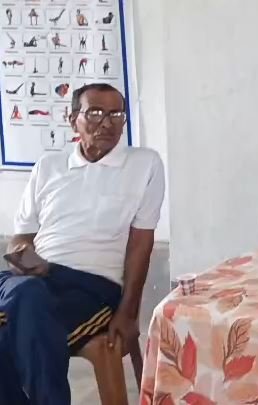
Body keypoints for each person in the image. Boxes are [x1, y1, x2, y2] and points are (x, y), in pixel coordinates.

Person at [0, 83, 165, 405]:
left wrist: (128, 312)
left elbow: (141, 244)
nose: (107, 123)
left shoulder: (144, 164)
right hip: (33, 278)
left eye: (116, 114)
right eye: (95, 113)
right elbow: (21, 237)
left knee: (21, 308)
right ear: (73, 119)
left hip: (90, 287)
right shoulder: (49, 166)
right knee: (26, 295)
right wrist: (23, 257)